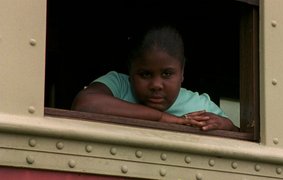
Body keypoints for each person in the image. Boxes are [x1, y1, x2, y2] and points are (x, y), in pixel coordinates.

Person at [72, 25, 239, 131]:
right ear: (130, 71)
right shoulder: (119, 84)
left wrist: (225, 125)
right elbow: (85, 104)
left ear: (182, 73)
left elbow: (236, 132)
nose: (156, 85)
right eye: (145, 74)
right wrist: (167, 119)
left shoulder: (199, 106)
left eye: (167, 74)